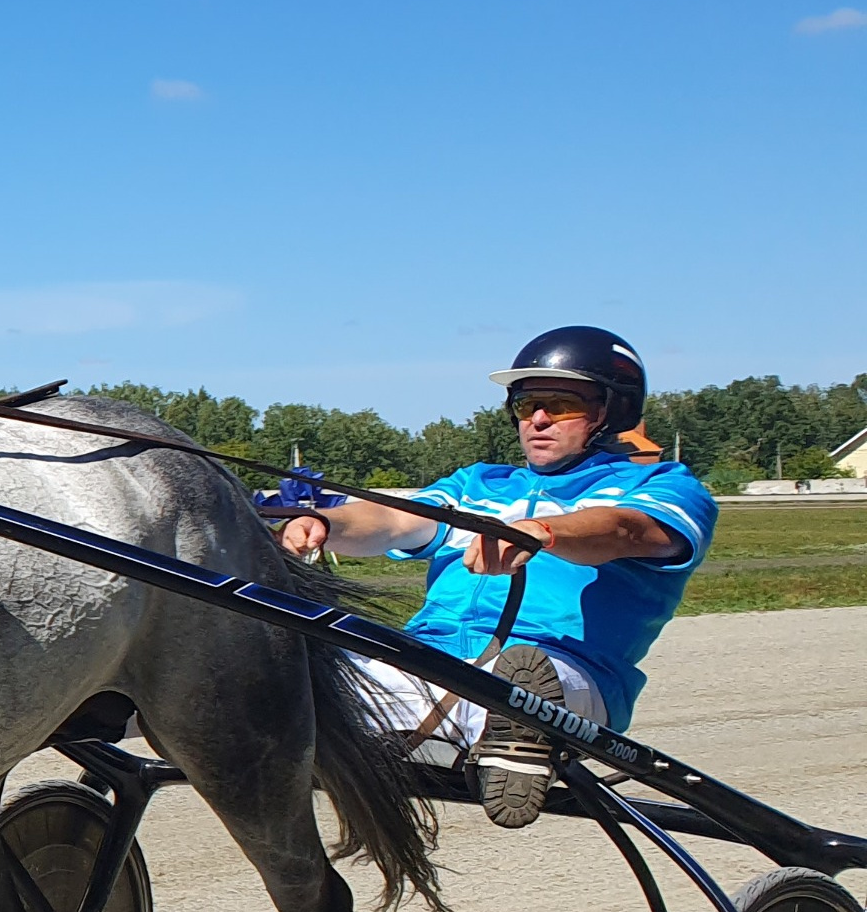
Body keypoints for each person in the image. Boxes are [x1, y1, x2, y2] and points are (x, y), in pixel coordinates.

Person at [272, 327, 714, 829]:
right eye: (527, 406)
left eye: (559, 404)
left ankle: (520, 724)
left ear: (612, 408)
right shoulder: (476, 484)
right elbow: (395, 519)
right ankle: (500, 731)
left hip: (572, 676)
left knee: (524, 675)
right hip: (428, 664)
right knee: (290, 666)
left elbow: (627, 531)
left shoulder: (661, 485)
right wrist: (328, 525)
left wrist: (541, 533)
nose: (539, 420)